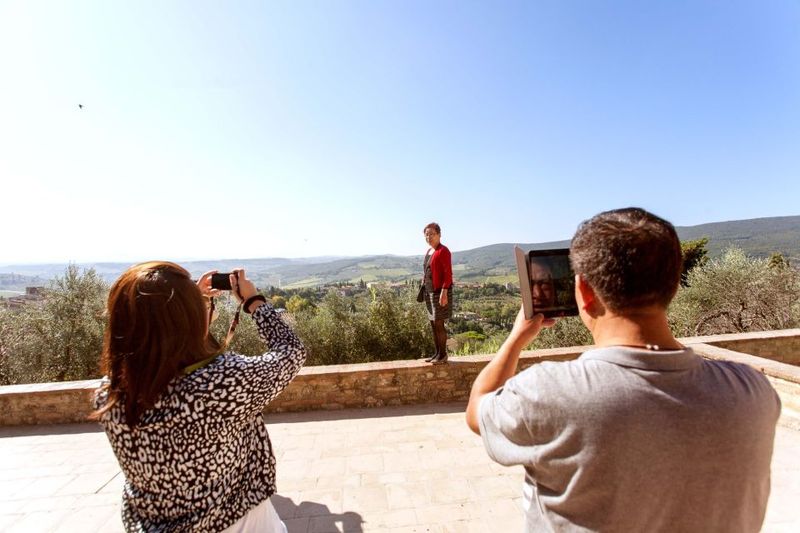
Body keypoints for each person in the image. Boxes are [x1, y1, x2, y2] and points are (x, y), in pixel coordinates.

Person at [466, 208, 781, 532]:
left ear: (584, 291)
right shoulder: (753, 393)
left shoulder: (548, 393)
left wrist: (516, 338)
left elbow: (477, 410)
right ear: (673, 285)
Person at [91, 262, 306, 532]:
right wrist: (254, 301)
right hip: (236, 521)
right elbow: (291, 351)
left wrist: (186, 304)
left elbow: (163, 345)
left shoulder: (109, 394)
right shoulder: (220, 383)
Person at [420, 222, 453, 364]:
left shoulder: (443, 251)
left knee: (439, 324)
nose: (429, 237)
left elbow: (448, 274)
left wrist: (444, 292)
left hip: (440, 292)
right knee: (433, 324)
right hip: (429, 292)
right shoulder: (429, 251)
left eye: (432, 234)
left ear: (439, 235)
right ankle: (437, 353)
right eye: (426, 235)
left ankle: (443, 355)